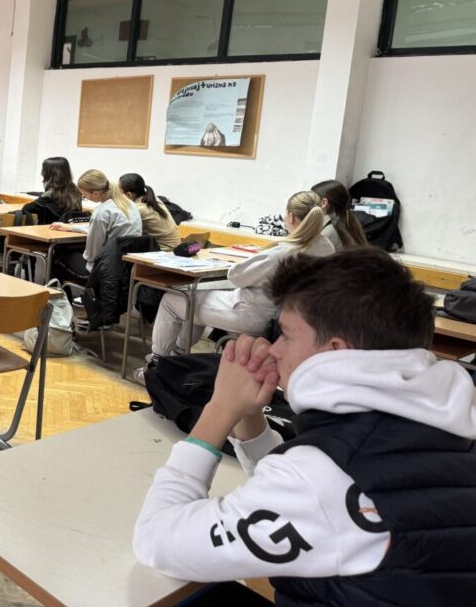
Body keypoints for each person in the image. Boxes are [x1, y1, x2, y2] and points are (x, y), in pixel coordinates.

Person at [133, 248, 476, 605]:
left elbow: (156, 538)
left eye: (285, 335)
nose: (275, 350)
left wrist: (219, 409)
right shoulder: (446, 420)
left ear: (336, 351)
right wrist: (247, 415)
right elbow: (304, 492)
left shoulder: (323, 477)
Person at [139, 191, 334, 386]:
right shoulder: (327, 249)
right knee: (197, 296)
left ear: (290, 217)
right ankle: (177, 357)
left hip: (254, 315)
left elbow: (237, 277)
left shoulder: (282, 253)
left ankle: (156, 363)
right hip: (293, 318)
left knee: (174, 299)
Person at [49, 169, 141, 284]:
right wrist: (71, 228)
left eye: (84, 195)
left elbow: (92, 255)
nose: (83, 197)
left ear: (96, 193)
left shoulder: (101, 213)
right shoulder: (129, 204)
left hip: (101, 272)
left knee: (58, 253)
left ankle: (58, 292)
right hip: (127, 269)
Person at [119, 173, 180, 251]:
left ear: (129, 195)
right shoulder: (153, 199)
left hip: (166, 250)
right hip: (175, 246)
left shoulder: (139, 209)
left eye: (119, 193)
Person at [21, 156, 83, 225]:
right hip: (71, 229)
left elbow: (27, 208)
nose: (42, 173)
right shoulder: (76, 191)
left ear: (49, 173)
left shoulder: (50, 194)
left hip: (49, 229)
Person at [311, 179, 368, 250]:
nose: (308, 205)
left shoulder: (328, 232)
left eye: (311, 200)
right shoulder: (349, 220)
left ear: (324, 203)